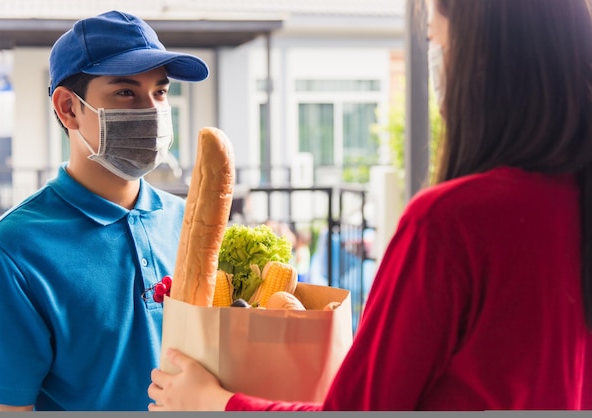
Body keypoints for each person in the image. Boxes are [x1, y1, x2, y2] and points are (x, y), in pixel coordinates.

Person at [147, 0, 592, 411]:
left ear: (482, 60)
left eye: (435, 42)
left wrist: (212, 401)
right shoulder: (571, 204)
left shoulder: (450, 222)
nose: (436, 65)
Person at [0, 10, 208, 411]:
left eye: (160, 92)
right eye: (126, 93)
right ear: (67, 108)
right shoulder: (14, 249)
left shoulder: (188, 222)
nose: (151, 110)